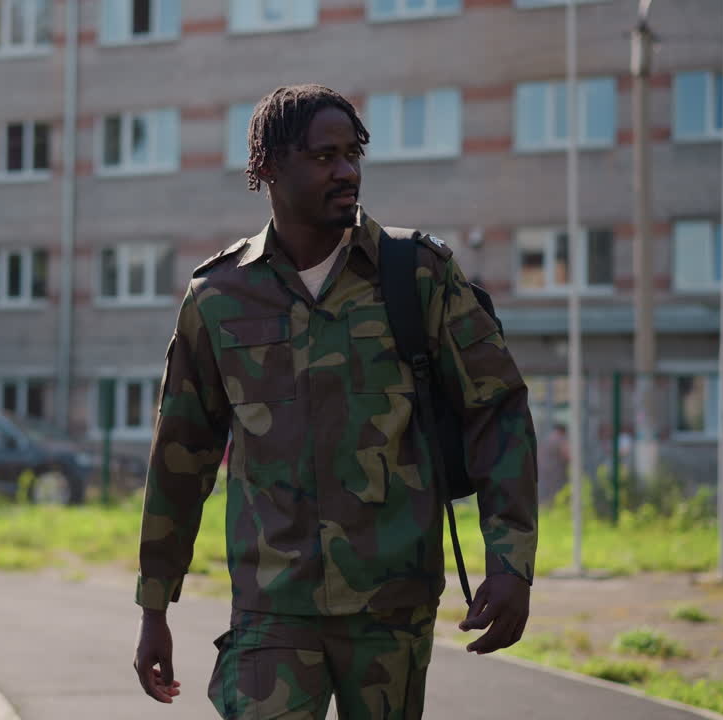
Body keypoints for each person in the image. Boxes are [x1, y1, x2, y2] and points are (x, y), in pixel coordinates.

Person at [132, 84, 539, 719]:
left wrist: (511, 565)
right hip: (272, 608)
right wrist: (155, 605)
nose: (347, 172)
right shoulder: (219, 297)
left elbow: (499, 413)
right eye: (325, 157)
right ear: (269, 166)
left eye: (354, 154)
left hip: (391, 607)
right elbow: (180, 456)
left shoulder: (418, 275)